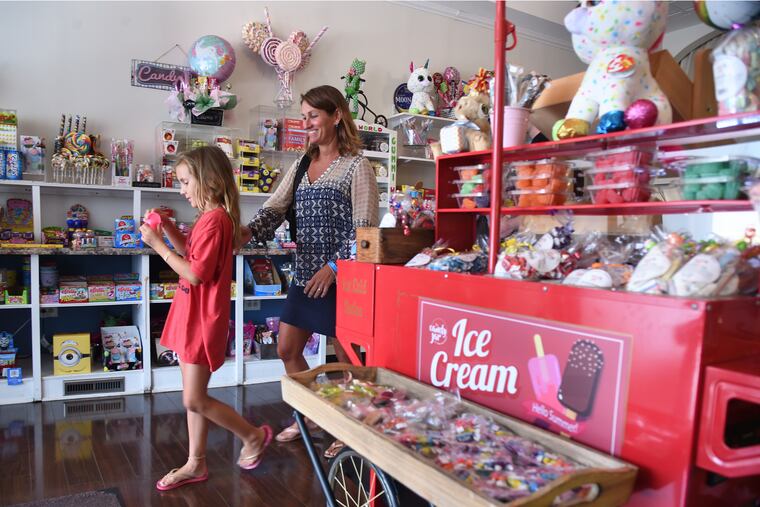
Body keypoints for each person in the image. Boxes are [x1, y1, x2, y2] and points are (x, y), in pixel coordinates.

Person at [241, 85, 379, 457]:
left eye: (313, 115)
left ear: (336, 116)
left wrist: (334, 268)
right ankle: (315, 415)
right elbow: (273, 209)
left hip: (343, 279)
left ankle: (354, 427)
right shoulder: (301, 165)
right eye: (303, 116)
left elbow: (366, 232)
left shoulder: (357, 166)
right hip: (305, 275)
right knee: (287, 349)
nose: (307, 123)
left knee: (349, 360)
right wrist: (241, 232)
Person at [141, 146, 273, 491]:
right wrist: (168, 228)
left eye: (186, 181)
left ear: (210, 181)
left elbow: (196, 273)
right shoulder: (211, 217)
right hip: (191, 315)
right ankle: (195, 462)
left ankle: (253, 436)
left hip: (201, 318)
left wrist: (157, 245)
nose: (182, 189)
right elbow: (192, 252)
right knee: (193, 393)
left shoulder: (215, 220)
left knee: (193, 399)